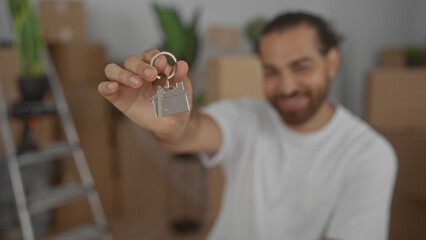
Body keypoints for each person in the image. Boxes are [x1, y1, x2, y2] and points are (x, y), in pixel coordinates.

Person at [99, 12, 397, 240]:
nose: (287, 86)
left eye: (301, 67)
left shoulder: (369, 154)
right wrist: (171, 124)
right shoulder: (248, 117)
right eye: (271, 71)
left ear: (332, 62)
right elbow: (189, 132)